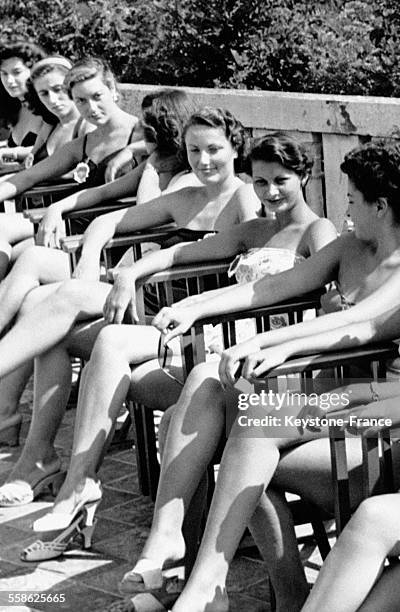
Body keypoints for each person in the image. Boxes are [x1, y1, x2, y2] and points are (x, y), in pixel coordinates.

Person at [79, 138, 400, 612]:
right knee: (206, 377)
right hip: (311, 401)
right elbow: (276, 287)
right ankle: (169, 544)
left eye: (352, 200)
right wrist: (194, 305)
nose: (346, 210)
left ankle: (220, 588)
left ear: (381, 206)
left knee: (234, 438)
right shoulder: (351, 246)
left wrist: (268, 343)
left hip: (365, 419)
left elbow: (359, 325)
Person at [150, 177, 400, 612]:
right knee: (249, 434)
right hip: (387, 431)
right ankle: (210, 584)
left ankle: (229, 588)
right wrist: (277, 345)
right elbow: (368, 328)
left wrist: (317, 408)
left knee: (255, 431)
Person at [13, 132, 336, 566]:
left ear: (305, 176)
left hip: (262, 367)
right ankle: (78, 485)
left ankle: (82, 500)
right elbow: (185, 252)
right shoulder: (256, 229)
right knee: (109, 340)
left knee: (112, 353)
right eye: (260, 183)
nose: (270, 192)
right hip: (213, 344)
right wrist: (130, 275)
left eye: (282, 180)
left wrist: (203, 308)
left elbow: (324, 294)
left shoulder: (318, 230)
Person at [0, 107, 260, 465]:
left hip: (187, 322)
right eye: (194, 151)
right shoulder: (185, 198)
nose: (203, 160)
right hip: (147, 305)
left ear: (234, 147)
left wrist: (132, 272)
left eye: (213, 149)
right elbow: (109, 221)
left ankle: (35, 455)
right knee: (48, 316)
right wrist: (91, 255)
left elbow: (256, 266)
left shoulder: (245, 196)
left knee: (61, 300)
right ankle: (36, 457)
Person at [0, 55, 141, 279]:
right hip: (76, 228)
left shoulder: (143, 133)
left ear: (111, 87)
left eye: (97, 96)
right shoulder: (83, 143)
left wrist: (133, 150)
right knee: (13, 255)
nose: (91, 108)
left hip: (118, 241)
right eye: (81, 101)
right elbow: (28, 177)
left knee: (27, 258)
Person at [24, 55, 92, 170]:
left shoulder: (87, 125)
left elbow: (88, 174)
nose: (52, 100)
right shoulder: (50, 126)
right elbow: (31, 163)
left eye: (58, 89)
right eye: (44, 93)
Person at [0, 40, 46, 166]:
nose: (9, 80)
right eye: (4, 73)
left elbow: (55, 149)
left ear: (34, 71)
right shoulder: (15, 106)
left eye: (17, 72)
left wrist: (7, 154)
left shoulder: (49, 105)